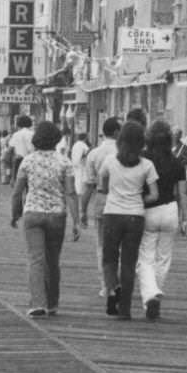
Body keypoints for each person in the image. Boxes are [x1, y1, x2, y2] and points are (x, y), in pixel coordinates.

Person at [10, 117, 78, 316]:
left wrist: (15, 214)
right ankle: (52, 303)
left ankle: (37, 303)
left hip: (32, 214)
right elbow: (71, 193)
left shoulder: (28, 161)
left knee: (36, 259)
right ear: (57, 140)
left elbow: (17, 191)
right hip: (57, 215)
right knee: (53, 260)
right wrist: (76, 221)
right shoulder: (64, 162)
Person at [97, 122, 153, 319]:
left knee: (109, 259)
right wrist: (138, 198)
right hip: (135, 216)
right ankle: (125, 310)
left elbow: (102, 185)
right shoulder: (147, 165)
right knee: (129, 263)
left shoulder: (110, 161)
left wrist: (112, 191)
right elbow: (153, 195)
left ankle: (113, 290)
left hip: (112, 214)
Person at [136, 119, 187, 321]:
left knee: (145, 257)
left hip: (148, 211)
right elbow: (183, 194)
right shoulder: (176, 162)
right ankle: (156, 290)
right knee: (164, 258)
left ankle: (150, 294)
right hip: (170, 211)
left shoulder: (143, 160)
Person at [76, 115, 122, 303]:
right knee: (123, 246)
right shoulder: (126, 151)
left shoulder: (94, 154)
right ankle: (122, 283)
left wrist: (82, 211)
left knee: (103, 246)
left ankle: (106, 285)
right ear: (117, 132)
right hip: (126, 204)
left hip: (102, 203)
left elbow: (88, 186)